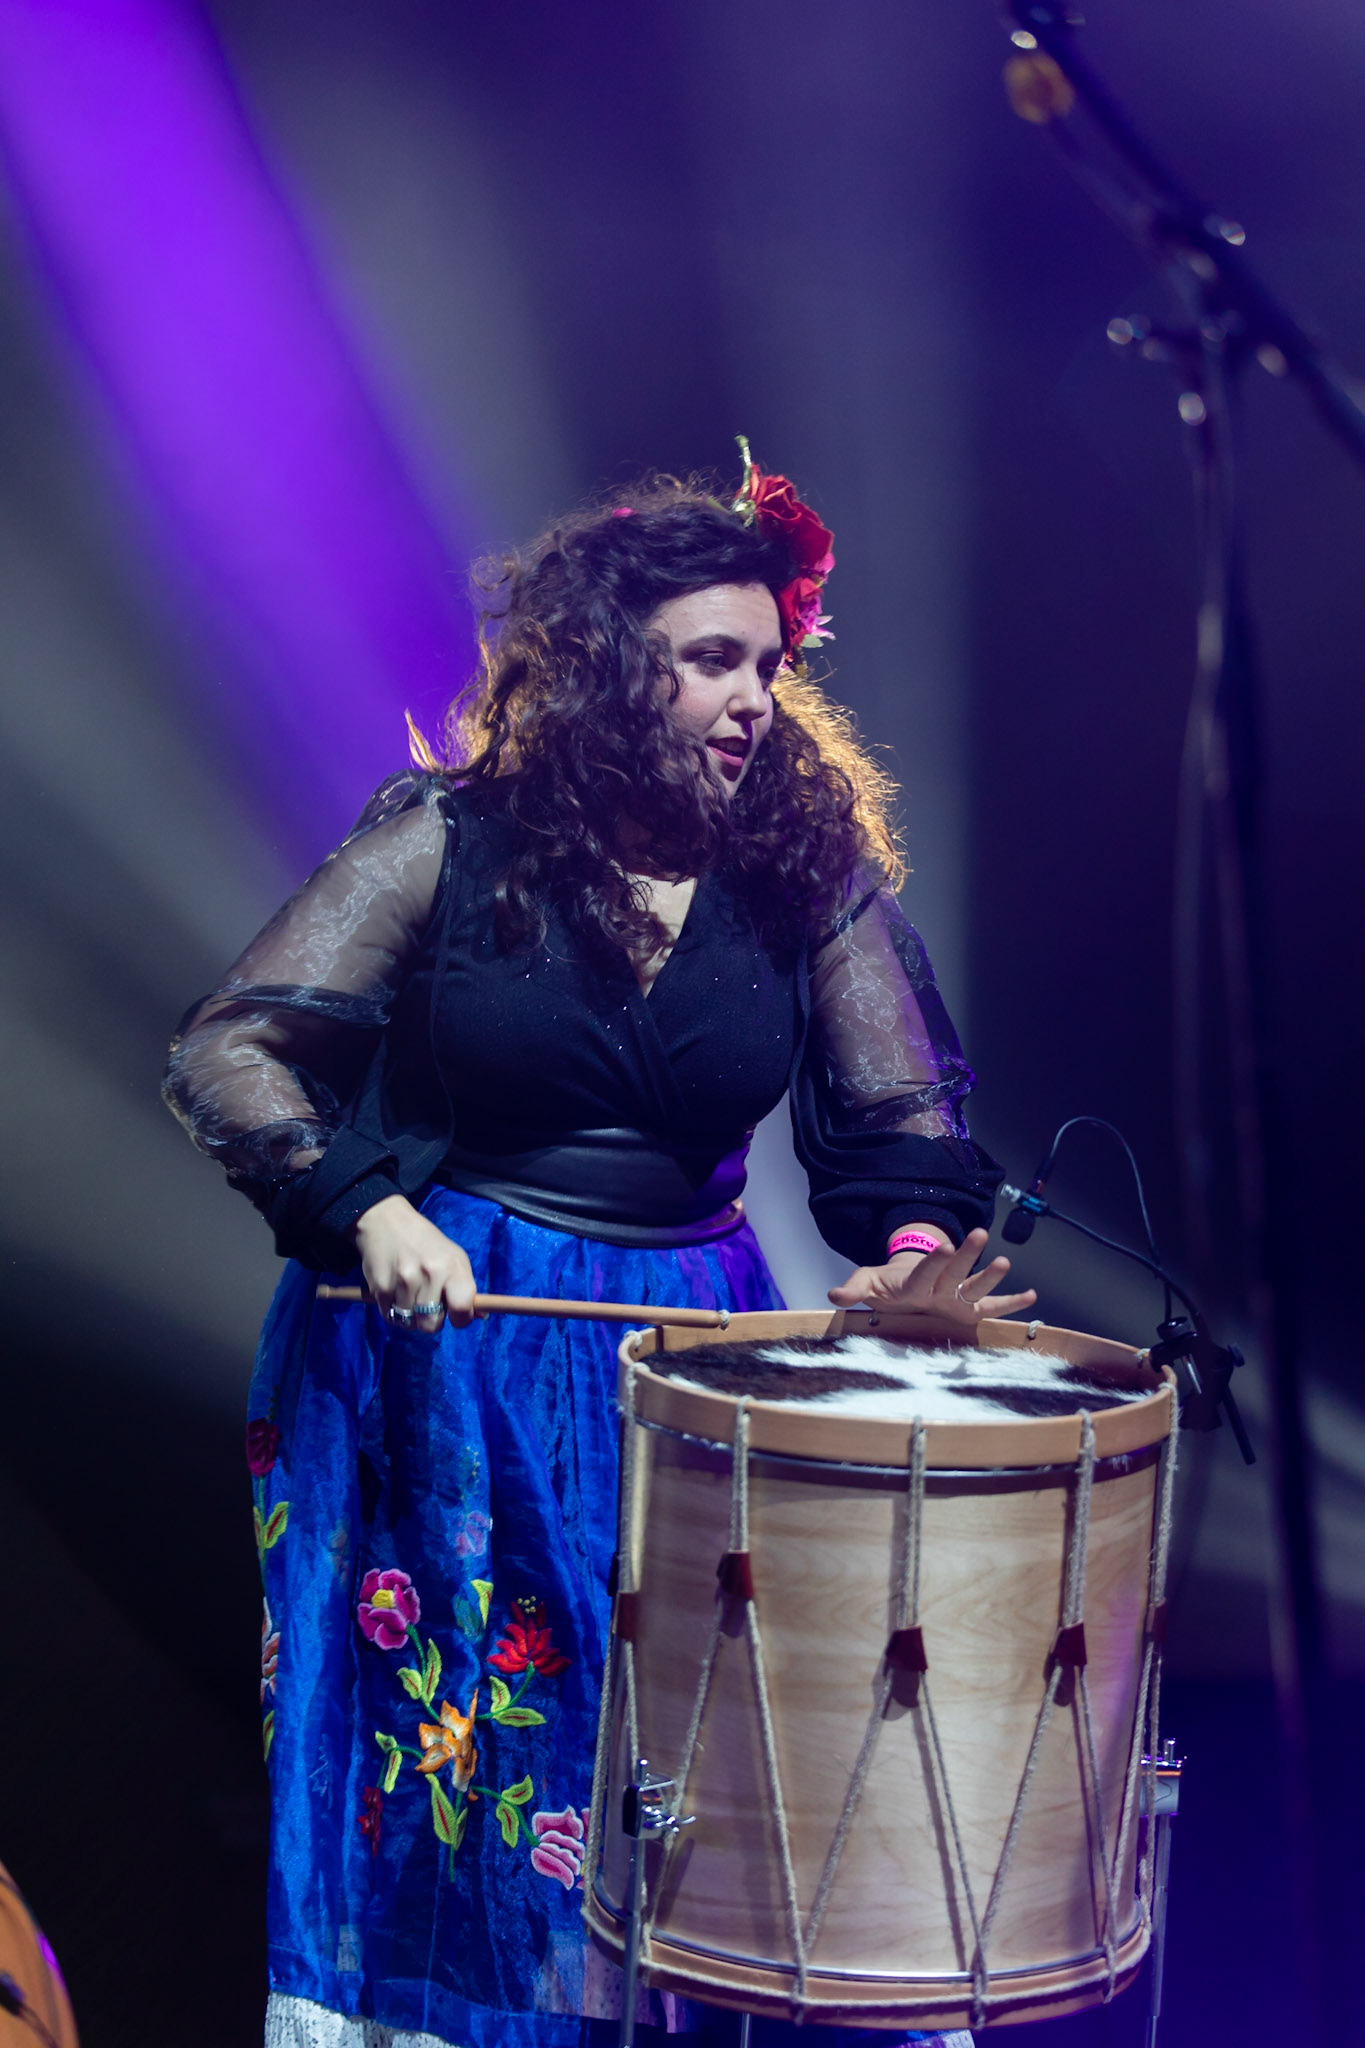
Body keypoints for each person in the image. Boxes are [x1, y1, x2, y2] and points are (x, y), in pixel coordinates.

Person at [165, 451, 1034, 2048]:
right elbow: (233, 1053)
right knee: (477, 1753)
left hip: (681, 1340)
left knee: (671, 1757)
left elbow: (896, 1129)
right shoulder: (449, 836)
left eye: (770, 664)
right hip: (449, 1329)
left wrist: (912, 1248)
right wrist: (366, 1207)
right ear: (606, 663)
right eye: (713, 659)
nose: (753, 696)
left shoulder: (802, 877)